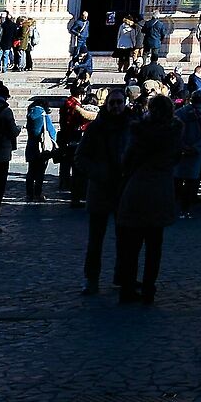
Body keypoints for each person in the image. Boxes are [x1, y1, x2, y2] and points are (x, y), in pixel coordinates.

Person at [115, 95, 181, 304]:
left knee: (131, 244)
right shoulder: (174, 131)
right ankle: (149, 289)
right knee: (155, 245)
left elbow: (127, 160)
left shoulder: (139, 130)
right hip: (161, 188)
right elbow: (176, 157)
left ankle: (127, 288)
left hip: (138, 186)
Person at [72, 92, 130, 292]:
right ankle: (91, 278)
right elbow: (80, 158)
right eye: (112, 103)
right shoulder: (96, 128)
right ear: (106, 105)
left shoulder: (132, 126)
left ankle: (122, 276)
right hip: (100, 189)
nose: (116, 106)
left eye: (119, 103)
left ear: (125, 103)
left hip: (124, 189)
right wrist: (98, 173)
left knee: (125, 239)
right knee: (96, 240)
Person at [24, 92, 57, 201]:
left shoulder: (30, 115)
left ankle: (29, 194)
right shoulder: (43, 115)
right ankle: (38, 194)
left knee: (30, 171)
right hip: (42, 147)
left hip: (31, 146)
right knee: (40, 172)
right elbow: (51, 131)